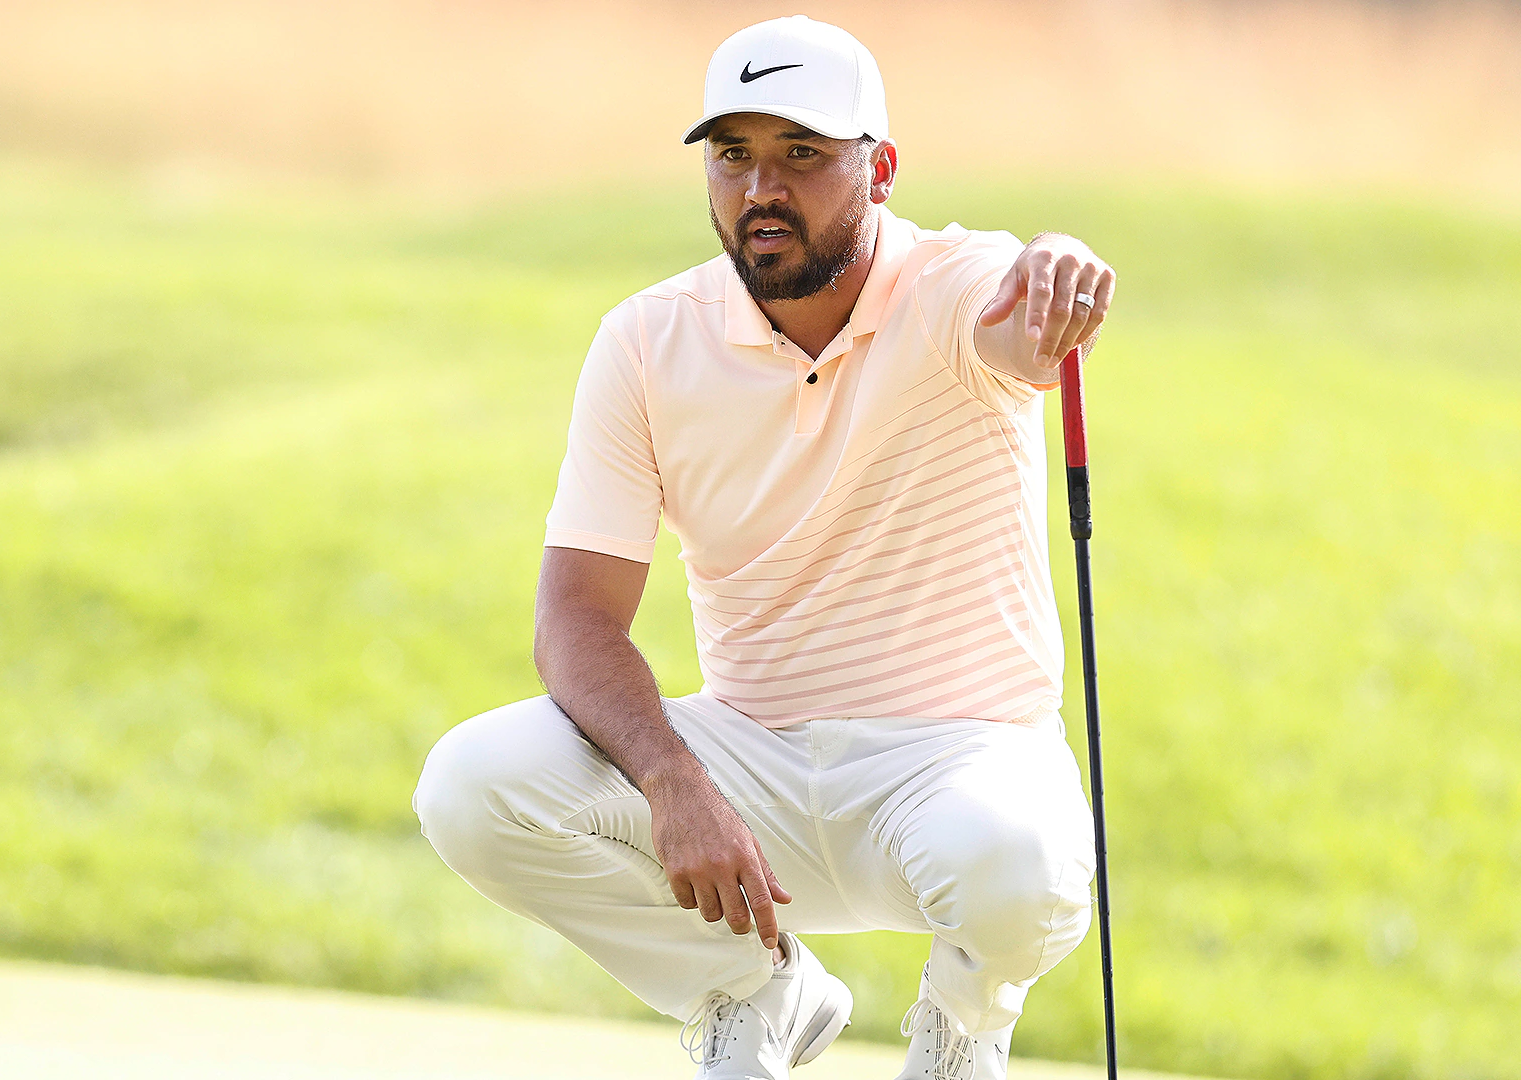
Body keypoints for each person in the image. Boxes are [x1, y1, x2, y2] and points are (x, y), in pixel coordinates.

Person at [413, 15, 1116, 1080]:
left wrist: (1058, 270)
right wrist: (673, 781)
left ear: (879, 169)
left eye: (801, 155)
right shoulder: (647, 341)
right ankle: (757, 989)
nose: (759, 189)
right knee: (470, 785)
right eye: (732, 154)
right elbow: (574, 619)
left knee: (1019, 865)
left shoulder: (956, 282)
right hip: (751, 775)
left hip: (956, 771)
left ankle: (963, 1027)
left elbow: (1022, 322)